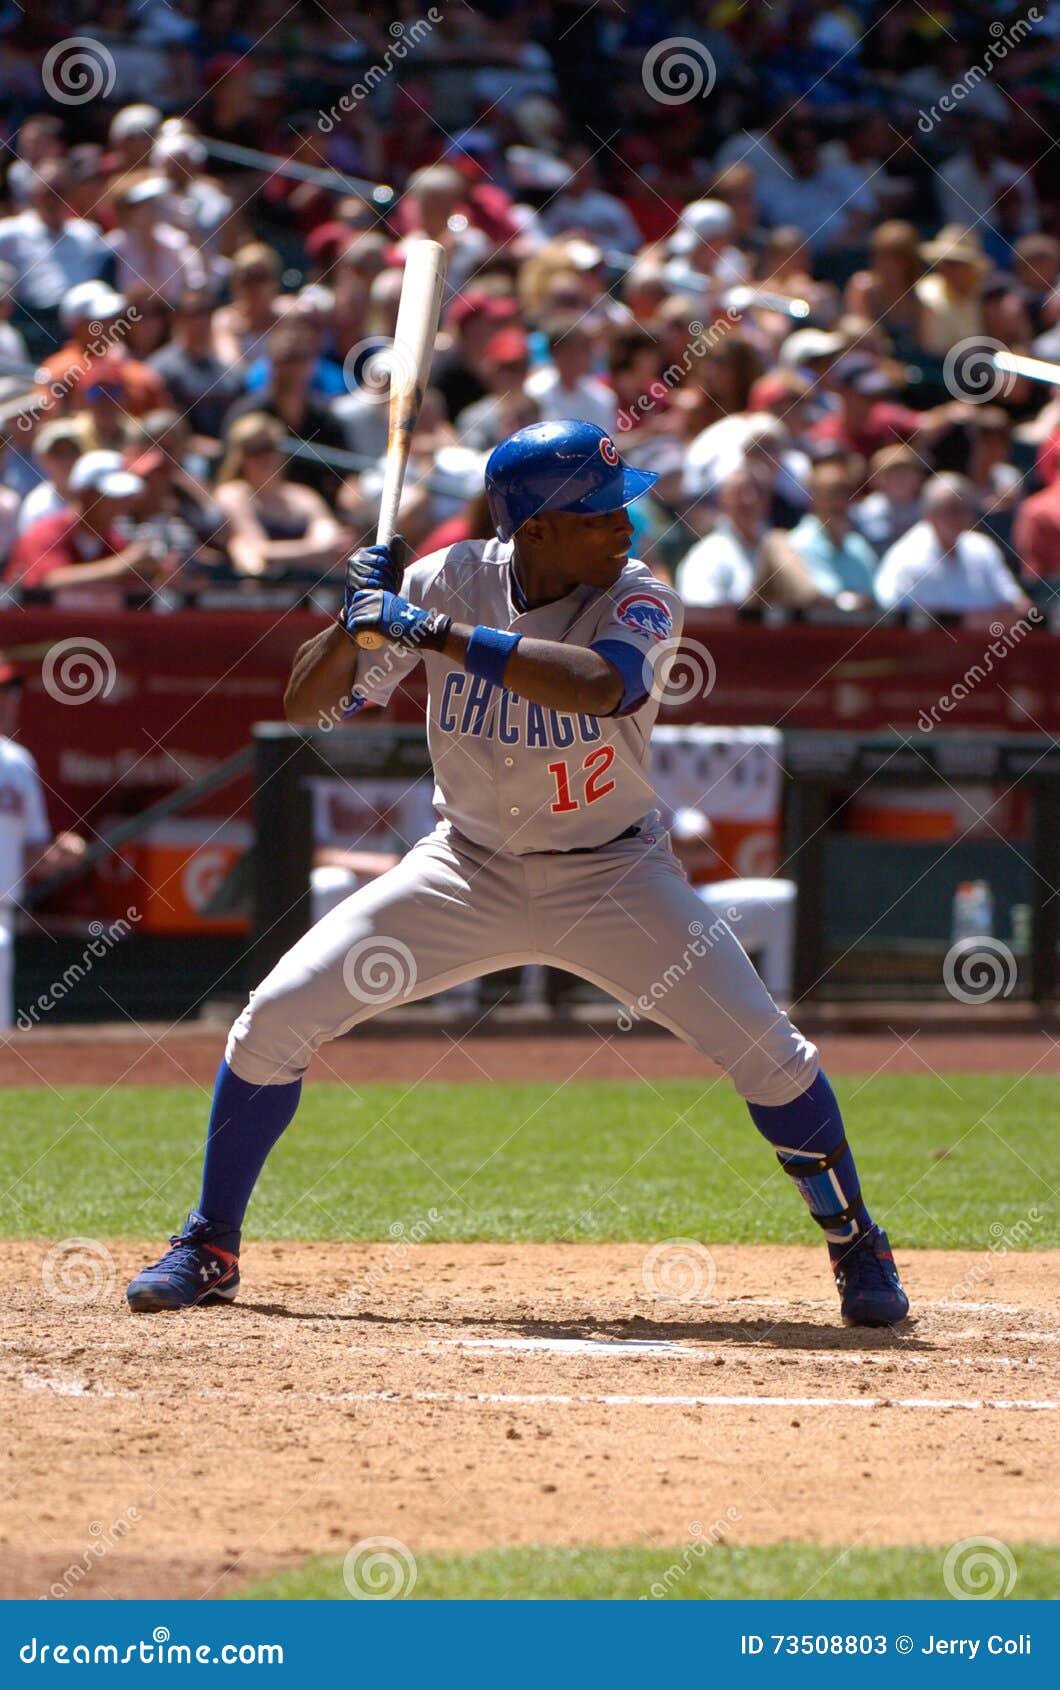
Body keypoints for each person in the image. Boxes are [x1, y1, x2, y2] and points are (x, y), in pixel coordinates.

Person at [126, 419, 909, 1329]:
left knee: (772, 1056)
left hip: (614, 874)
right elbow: (309, 705)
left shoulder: (638, 595)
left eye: (623, 509)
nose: (625, 526)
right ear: (533, 530)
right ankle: (209, 1243)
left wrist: (432, 632)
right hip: (465, 869)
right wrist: (352, 623)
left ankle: (858, 1247)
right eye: (598, 514)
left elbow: (598, 686)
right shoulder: (444, 580)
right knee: (272, 1019)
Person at [0, 663, 87, 1027]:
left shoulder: (19, 764)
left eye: (11, 693)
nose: (8, 702)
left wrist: (61, 854)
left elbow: (33, 853)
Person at [213, 413, 353, 581]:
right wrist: (315, 549)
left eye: (268, 448)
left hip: (310, 580)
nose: (264, 458)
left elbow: (329, 537)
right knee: (241, 548)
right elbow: (258, 550)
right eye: (254, 450)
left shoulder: (302, 496)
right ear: (240, 457)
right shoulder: (233, 494)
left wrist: (322, 547)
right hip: (262, 584)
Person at [875, 474, 1031, 615]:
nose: (962, 518)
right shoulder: (907, 554)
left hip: (985, 644)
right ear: (929, 513)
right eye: (952, 510)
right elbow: (893, 612)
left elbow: (1015, 601)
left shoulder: (982, 548)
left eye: (967, 510)